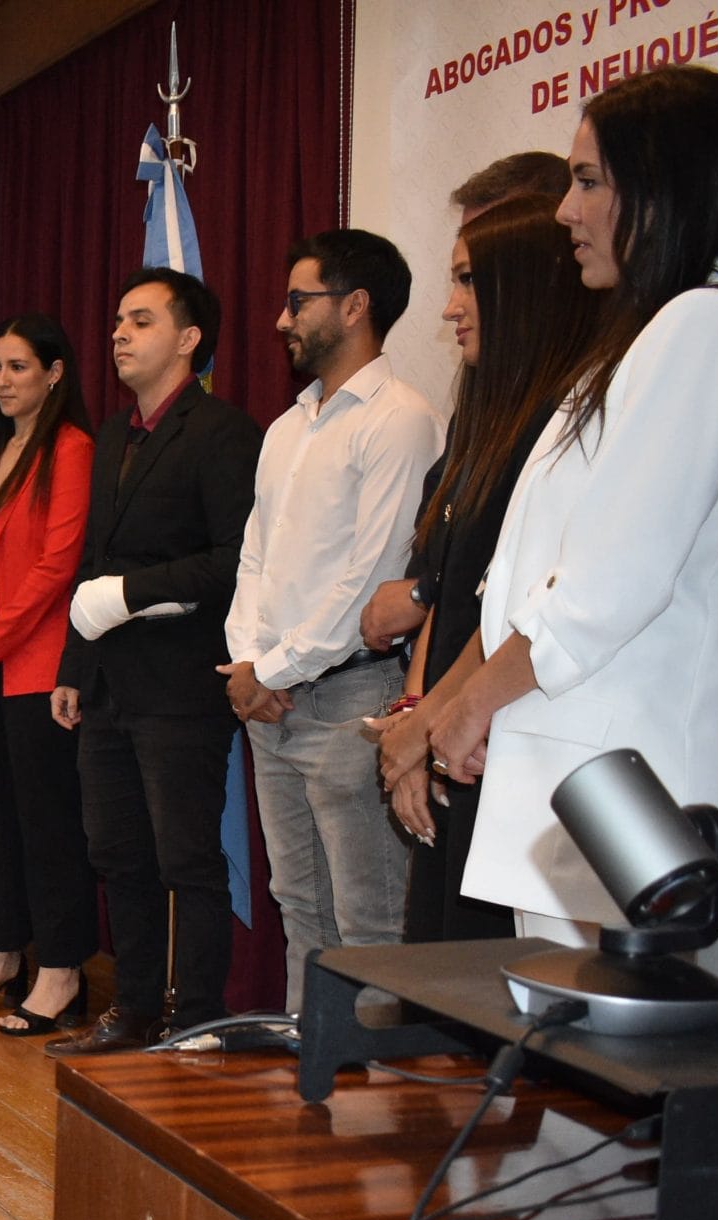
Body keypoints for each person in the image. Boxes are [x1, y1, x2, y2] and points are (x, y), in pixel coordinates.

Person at [429, 66, 718, 937]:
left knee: (582, 1012)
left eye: (590, 182)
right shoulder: (668, 330)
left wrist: (474, 702)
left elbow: (607, 585)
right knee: (557, 1011)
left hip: (618, 778)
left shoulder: (704, 325)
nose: (567, 210)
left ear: (669, 187)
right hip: (592, 772)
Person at [222, 232, 443, 1012]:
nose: (282, 319)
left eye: (298, 301)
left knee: (368, 918)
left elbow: (371, 580)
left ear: (355, 307)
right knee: (300, 906)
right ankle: (309, 1059)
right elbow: (255, 557)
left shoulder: (400, 419)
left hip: (353, 699)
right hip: (271, 704)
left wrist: (269, 670)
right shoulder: (287, 428)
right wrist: (249, 662)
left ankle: (378, 1077)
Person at [373, 199, 602, 943]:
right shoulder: (480, 418)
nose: (449, 308)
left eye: (469, 280)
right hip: (454, 734)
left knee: (487, 976)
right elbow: (448, 594)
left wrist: (432, 724)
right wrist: (417, 718)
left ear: (526, 287)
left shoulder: (562, 425)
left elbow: (516, 615)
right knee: (435, 970)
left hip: (498, 737)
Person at [49, 269, 262, 1054]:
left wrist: (132, 594)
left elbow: (234, 559)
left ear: (189, 338)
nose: (119, 334)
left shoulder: (223, 432)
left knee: (186, 858)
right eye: (117, 320)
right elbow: (93, 563)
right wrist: (74, 666)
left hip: (181, 684)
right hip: (108, 683)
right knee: (118, 854)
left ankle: (195, 1015)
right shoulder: (114, 435)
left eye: (140, 321)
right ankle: (133, 1007)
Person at [0, 315, 98, 1036]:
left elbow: (56, 568)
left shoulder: (72, 449)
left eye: (18, 367)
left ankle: (61, 971)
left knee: (46, 824)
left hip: (35, 664)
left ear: (54, 373)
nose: (2, 381)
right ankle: (1, 953)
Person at [359, 151, 574, 656]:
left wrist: (422, 596)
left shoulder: (577, 404)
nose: (451, 307)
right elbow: (441, 543)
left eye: (474, 275)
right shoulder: (481, 398)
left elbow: (526, 592)